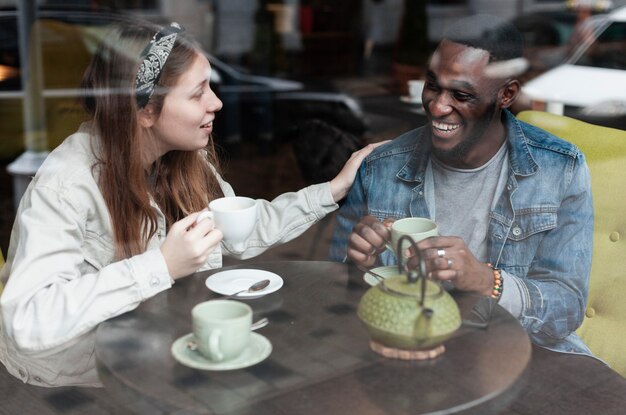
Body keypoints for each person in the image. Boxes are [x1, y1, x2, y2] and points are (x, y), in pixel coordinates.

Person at [0, 21, 379, 387]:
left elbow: (239, 229)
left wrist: (333, 188)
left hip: (150, 359)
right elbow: (29, 319)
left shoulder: (181, 159)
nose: (216, 103)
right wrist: (161, 266)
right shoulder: (66, 183)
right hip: (69, 387)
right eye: (198, 93)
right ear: (145, 111)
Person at [329, 15, 594, 356]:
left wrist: (486, 281)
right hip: (409, 341)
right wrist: (360, 265)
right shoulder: (381, 167)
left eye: (462, 94)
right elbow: (335, 293)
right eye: (433, 85)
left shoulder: (560, 168)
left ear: (507, 94)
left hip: (522, 349)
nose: (438, 106)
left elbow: (567, 308)